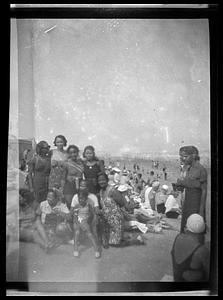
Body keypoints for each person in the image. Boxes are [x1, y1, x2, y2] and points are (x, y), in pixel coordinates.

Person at [176, 146, 207, 233]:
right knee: (185, 224)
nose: (182, 159)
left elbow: (204, 191)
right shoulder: (188, 168)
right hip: (187, 201)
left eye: (185, 156)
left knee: (194, 227)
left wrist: (201, 211)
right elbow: (189, 184)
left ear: (193, 156)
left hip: (195, 203)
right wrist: (180, 186)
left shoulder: (201, 170)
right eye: (180, 156)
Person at [171, 214, 210, 282]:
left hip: (177, 278)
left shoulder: (178, 237)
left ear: (187, 227)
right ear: (203, 231)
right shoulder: (201, 250)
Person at [70, 184, 100, 258]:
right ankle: (76, 249)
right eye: (79, 198)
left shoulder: (88, 205)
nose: (81, 200)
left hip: (85, 222)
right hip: (78, 222)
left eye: (82, 198)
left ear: (86, 199)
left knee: (89, 234)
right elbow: (75, 217)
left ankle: (96, 249)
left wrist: (92, 221)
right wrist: (80, 224)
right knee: (77, 232)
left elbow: (92, 214)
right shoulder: (77, 206)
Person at [61, 145, 84, 209]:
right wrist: (62, 191)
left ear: (77, 152)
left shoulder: (81, 163)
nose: (73, 154)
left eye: (74, 152)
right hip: (69, 187)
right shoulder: (66, 163)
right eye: (71, 153)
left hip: (80, 187)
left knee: (79, 205)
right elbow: (63, 178)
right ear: (68, 154)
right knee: (70, 204)